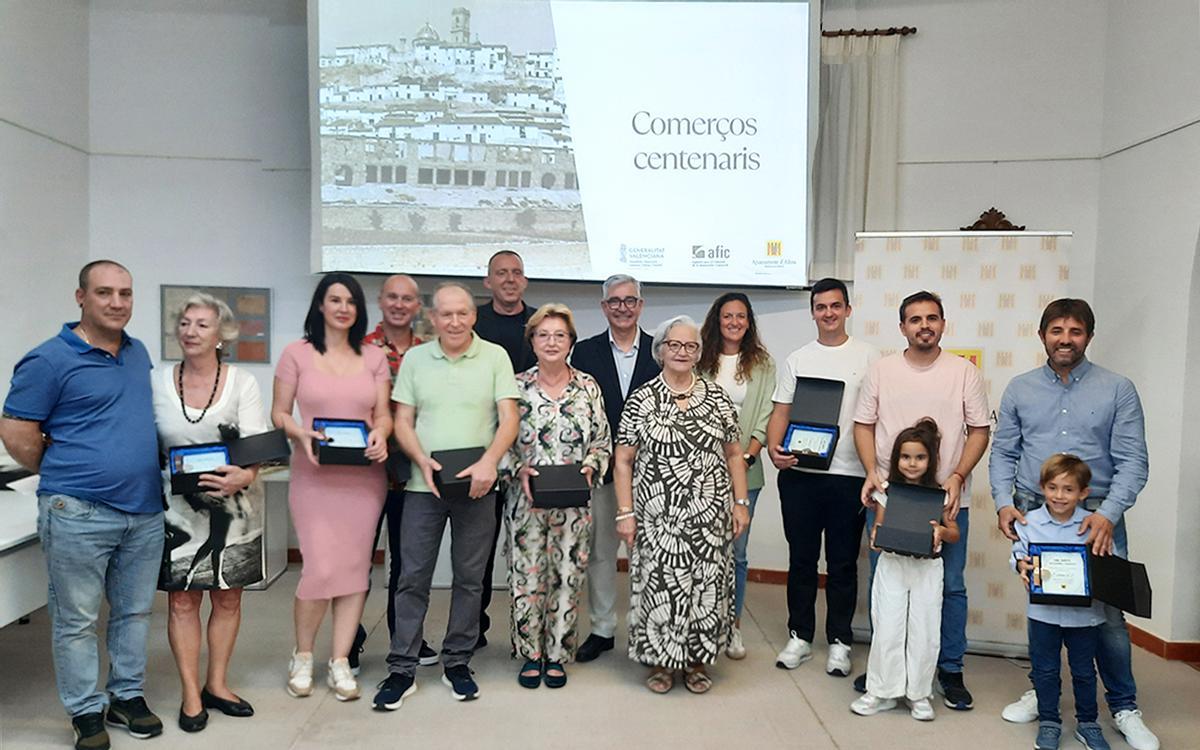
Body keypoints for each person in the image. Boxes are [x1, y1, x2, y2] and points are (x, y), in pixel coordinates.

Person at [0, 260, 165, 749]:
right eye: (105, 293)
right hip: (78, 512)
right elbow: (16, 432)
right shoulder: (48, 359)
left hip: (144, 511)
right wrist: (66, 471)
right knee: (76, 620)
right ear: (80, 297)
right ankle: (85, 711)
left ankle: (126, 697)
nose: (117, 303)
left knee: (134, 614)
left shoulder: (137, 354)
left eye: (126, 294)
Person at [990, 298, 1157, 750]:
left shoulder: (1117, 388)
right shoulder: (1020, 388)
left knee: (1107, 619)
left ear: (1089, 336)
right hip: (1035, 511)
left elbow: (1133, 462)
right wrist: (1005, 503)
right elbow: (1004, 451)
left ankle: (1124, 707)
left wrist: (1107, 515)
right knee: (1046, 610)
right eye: (1057, 330)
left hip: (1097, 517)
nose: (1065, 339)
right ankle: (1042, 692)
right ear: (1042, 334)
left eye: (1075, 331)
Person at [373, 282, 519, 709]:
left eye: (462, 313)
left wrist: (490, 461)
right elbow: (403, 419)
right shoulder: (417, 358)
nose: (454, 321)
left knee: (471, 579)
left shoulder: (495, 356)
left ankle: (458, 660)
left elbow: (509, 417)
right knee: (412, 577)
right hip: (423, 485)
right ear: (432, 318)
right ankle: (402, 667)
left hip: (478, 485)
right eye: (445, 314)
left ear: (473, 316)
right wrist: (419, 459)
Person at [852, 290, 990, 709]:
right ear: (903, 328)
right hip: (891, 498)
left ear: (943, 324)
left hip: (945, 499)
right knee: (887, 586)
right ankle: (886, 668)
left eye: (932, 318)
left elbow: (979, 429)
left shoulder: (963, 373)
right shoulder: (882, 370)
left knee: (949, 587)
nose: (924, 326)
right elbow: (863, 424)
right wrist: (871, 470)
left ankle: (948, 669)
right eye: (915, 319)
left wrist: (958, 475)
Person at [272, 273, 392, 703]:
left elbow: (382, 415)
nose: (343, 308)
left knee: (355, 571)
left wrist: (381, 434)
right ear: (320, 305)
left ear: (359, 311)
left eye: (351, 302)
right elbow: (279, 413)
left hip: (362, 479)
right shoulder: (296, 354)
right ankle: (303, 654)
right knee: (320, 569)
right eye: (334, 299)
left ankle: (340, 660)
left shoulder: (373, 356)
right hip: (313, 476)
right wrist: (299, 434)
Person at [614, 315, 751, 694]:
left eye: (690, 346)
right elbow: (623, 459)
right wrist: (625, 512)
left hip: (709, 516)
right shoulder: (642, 398)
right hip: (657, 518)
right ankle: (660, 663)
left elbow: (735, 455)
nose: (682, 352)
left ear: (699, 352)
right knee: (660, 586)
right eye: (674, 345)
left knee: (705, 588)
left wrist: (741, 503)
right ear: (660, 350)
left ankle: (696, 663)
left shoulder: (717, 397)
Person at [152, 293, 269, 732]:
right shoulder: (157, 382)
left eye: (202, 324)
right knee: (182, 601)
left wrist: (245, 475)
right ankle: (190, 694)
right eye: (185, 323)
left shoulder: (243, 382)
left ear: (221, 335)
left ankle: (217, 684)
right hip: (177, 507)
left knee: (227, 596)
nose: (191, 331)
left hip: (236, 502)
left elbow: (256, 443)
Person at [765, 278, 880, 674]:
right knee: (801, 560)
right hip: (801, 473)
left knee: (843, 563)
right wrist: (774, 449)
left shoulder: (870, 357)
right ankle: (799, 635)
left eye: (835, 306)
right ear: (812, 311)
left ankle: (840, 640)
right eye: (820, 307)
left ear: (848, 309)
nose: (828, 313)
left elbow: (879, 413)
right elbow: (781, 410)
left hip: (849, 474)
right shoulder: (798, 358)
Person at [504, 303, 611, 688]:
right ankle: (530, 653)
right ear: (532, 341)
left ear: (571, 343)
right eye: (543, 334)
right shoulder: (514, 387)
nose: (551, 342)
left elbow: (602, 441)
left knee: (568, 576)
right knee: (528, 577)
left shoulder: (588, 387)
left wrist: (591, 466)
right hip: (526, 501)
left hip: (574, 504)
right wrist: (517, 467)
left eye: (559, 335)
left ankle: (557, 654)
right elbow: (498, 439)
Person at [569, 273, 660, 662]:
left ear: (640, 306)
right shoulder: (585, 353)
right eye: (615, 301)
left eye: (630, 300)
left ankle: (650, 627)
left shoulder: (661, 350)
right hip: (604, 471)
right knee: (603, 552)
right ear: (604, 307)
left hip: (654, 474)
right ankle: (603, 629)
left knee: (651, 553)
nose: (623, 307)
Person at [351, 274, 439, 673]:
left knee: (409, 565)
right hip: (364, 473)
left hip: (412, 475)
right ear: (380, 301)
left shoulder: (429, 353)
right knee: (355, 562)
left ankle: (406, 639)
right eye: (393, 297)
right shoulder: (360, 351)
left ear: (418, 305)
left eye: (408, 298)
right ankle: (348, 641)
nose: (400, 304)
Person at [851, 419, 960, 722]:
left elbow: (954, 533)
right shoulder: (887, 490)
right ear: (897, 459)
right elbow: (880, 527)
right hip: (893, 565)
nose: (912, 463)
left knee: (924, 630)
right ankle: (881, 690)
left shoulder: (940, 494)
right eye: (906, 457)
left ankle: (919, 694)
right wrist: (876, 537)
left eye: (920, 457)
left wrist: (941, 531)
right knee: (887, 626)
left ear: (931, 459)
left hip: (926, 569)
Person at [1012, 454, 1111, 750]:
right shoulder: (1029, 523)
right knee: (1044, 670)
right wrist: (1020, 565)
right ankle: (1049, 722)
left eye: (1068, 489)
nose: (1059, 495)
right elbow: (1018, 554)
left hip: (1085, 617)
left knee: (1083, 671)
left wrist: (1102, 574)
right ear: (1043, 488)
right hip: (1043, 613)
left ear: (1083, 493)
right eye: (1053, 487)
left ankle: (1088, 723)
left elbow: (1108, 561)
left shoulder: (1094, 526)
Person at [697, 292, 776, 660]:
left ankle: (733, 626)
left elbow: (765, 416)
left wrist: (747, 457)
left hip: (747, 467)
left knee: (737, 553)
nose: (734, 322)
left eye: (740, 316)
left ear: (749, 321)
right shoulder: (700, 360)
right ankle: (702, 623)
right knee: (703, 550)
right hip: (699, 471)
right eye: (727, 315)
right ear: (717, 319)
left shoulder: (762, 363)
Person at [473, 250, 534, 648]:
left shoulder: (540, 324)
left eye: (516, 273)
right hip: (484, 449)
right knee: (478, 548)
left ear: (524, 280)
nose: (509, 279)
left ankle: (528, 631)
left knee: (528, 549)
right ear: (488, 282)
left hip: (532, 452)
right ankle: (472, 628)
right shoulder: (473, 322)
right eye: (501, 273)